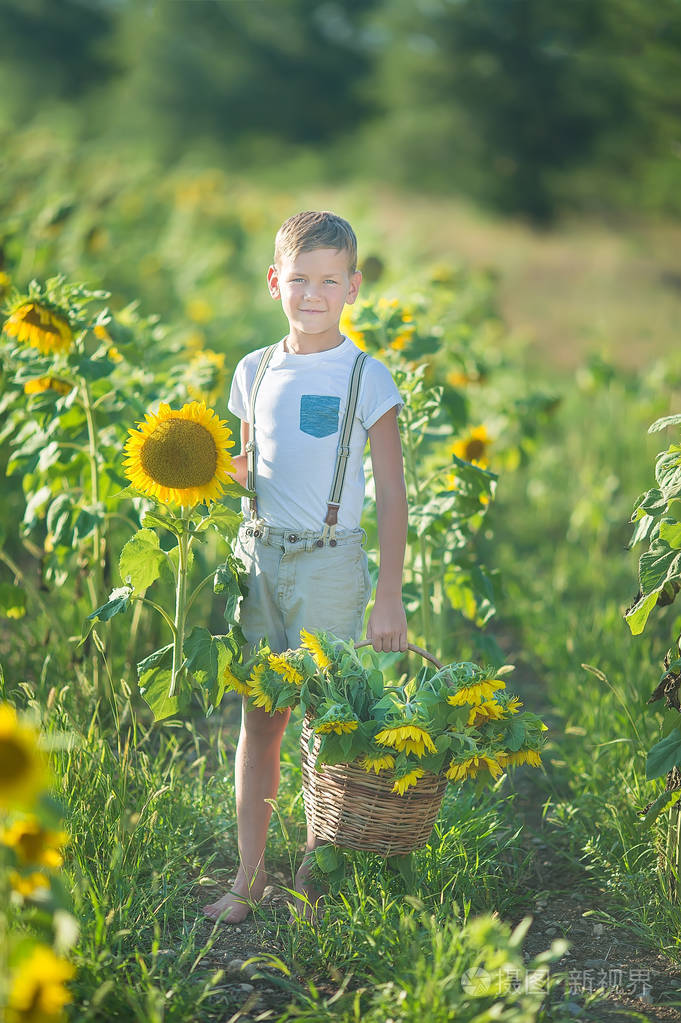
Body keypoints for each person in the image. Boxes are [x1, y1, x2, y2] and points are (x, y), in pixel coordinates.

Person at [202, 210, 408, 924]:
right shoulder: (252, 370)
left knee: (326, 724)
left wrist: (390, 595)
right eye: (298, 279)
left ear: (354, 286)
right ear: (274, 282)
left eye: (329, 280)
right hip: (259, 556)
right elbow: (250, 467)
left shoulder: (366, 376)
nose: (312, 293)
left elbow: (392, 492)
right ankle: (250, 874)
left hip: (330, 563)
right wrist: (191, 467)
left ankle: (314, 885)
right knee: (260, 720)